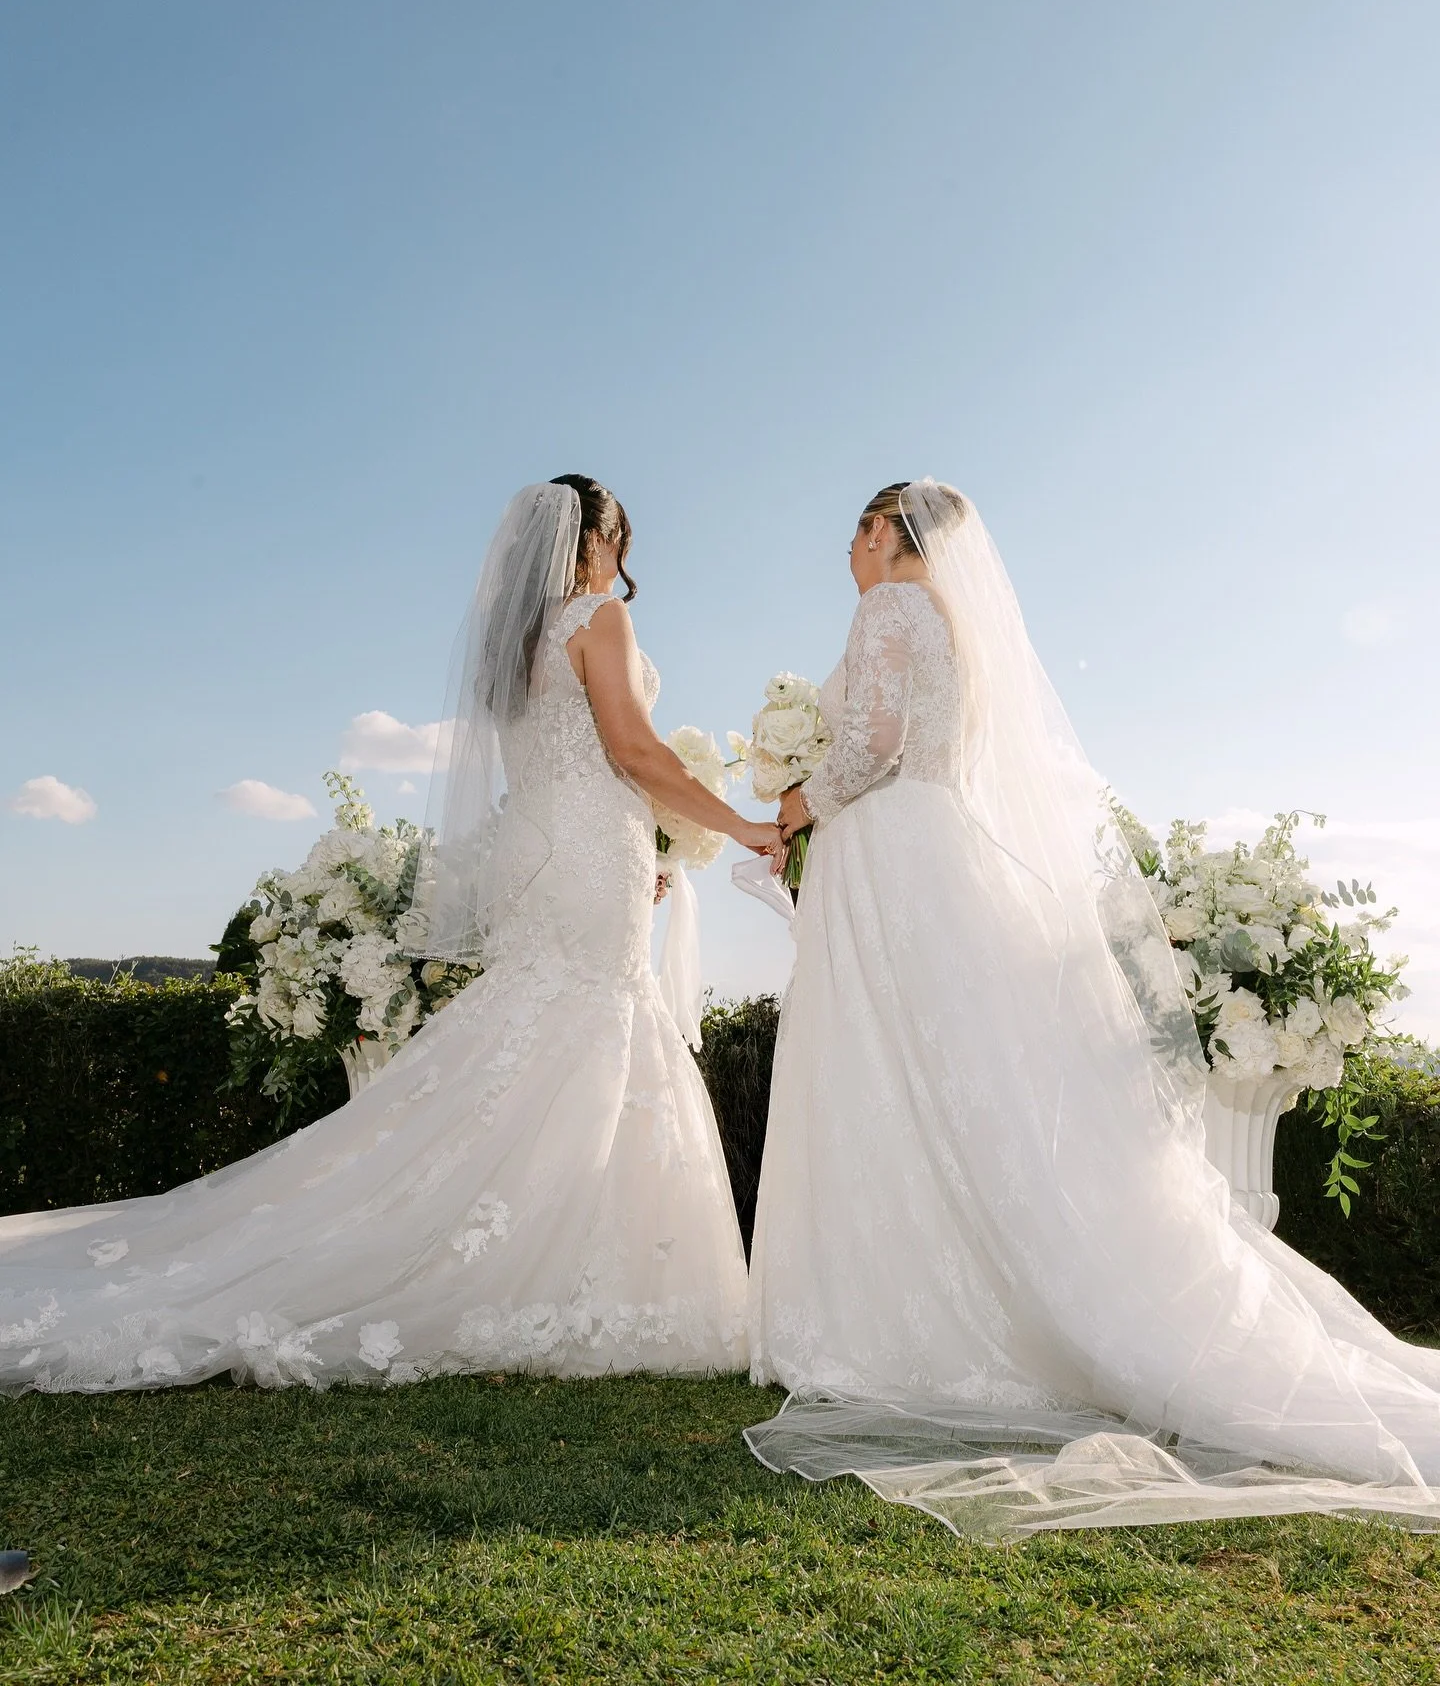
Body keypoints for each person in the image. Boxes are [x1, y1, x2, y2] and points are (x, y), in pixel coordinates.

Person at [745, 478, 1440, 1538]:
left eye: (856, 530)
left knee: (888, 1082)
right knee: (958, 1091)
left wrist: (798, 802)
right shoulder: (965, 629)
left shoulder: (890, 604)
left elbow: (873, 744)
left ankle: (892, 1324)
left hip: (891, 860)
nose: (848, 551)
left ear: (887, 532)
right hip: (938, 856)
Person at [0, 476, 780, 1393]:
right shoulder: (597, 619)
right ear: (600, 542)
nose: (621, 565)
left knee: (552, 1030)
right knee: (591, 1027)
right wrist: (741, 825)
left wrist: (636, 846)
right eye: (620, 544)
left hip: (545, 849)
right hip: (582, 848)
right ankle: (575, 1274)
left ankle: (553, 1258)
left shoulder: (515, 644)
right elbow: (633, 752)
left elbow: (567, 761)